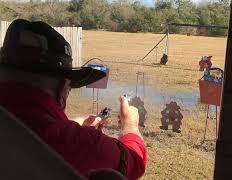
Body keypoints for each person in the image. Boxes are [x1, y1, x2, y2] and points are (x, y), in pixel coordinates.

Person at [0, 19, 146, 179]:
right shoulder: (82, 144)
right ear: (63, 88)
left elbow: (26, 120)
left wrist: (70, 124)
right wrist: (130, 126)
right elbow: (134, 165)